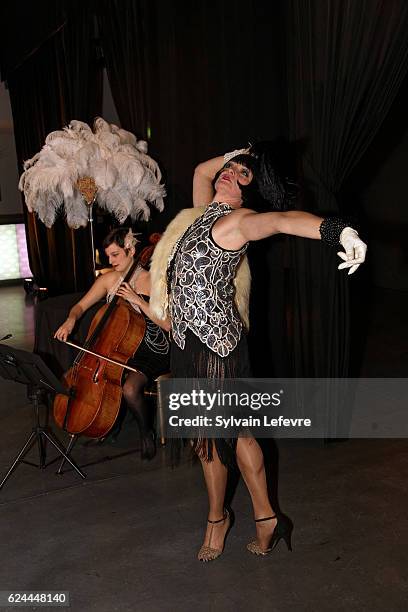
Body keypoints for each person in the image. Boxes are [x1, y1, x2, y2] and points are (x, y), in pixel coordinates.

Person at [149, 142, 367, 561]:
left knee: (211, 439)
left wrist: (338, 231)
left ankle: (218, 519)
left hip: (215, 349)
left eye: (242, 175)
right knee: (231, 434)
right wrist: (235, 155)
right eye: (228, 170)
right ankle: (266, 517)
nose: (229, 174)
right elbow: (199, 169)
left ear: (251, 190)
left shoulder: (237, 221)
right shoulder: (201, 212)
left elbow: (284, 221)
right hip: (188, 344)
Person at [54, 227, 171, 460]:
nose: (110, 260)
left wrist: (137, 300)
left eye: (115, 254)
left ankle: (145, 432)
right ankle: (108, 424)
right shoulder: (108, 280)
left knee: (129, 388)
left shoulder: (154, 281)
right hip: (119, 348)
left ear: (131, 250)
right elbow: (80, 306)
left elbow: (168, 325)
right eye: (108, 255)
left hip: (153, 348)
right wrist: (71, 319)